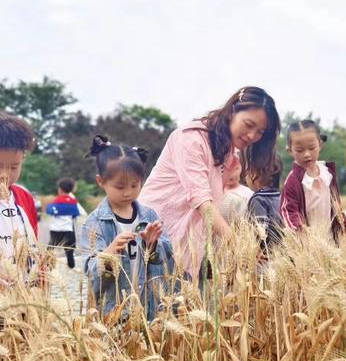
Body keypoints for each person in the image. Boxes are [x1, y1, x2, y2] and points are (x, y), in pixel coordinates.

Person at [139, 86, 280, 277]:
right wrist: (238, 246)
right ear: (232, 112)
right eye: (248, 124)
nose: (252, 136)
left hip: (187, 248)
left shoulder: (230, 153)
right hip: (152, 236)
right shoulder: (191, 138)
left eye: (260, 132)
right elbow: (201, 201)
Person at [81, 135, 174, 321]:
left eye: (135, 185)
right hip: (113, 309)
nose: (128, 192)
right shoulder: (95, 223)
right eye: (120, 186)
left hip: (148, 305)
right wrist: (109, 253)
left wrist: (152, 245)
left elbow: (167, 256)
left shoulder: (149, 215)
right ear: (101, 181)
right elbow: (91, 272)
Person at [280, 119, 346, 239]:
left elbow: (336, 206)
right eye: (300, 150)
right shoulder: (293, 180)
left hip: (331, 242)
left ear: (320, 145)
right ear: (290, 150)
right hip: (308, 245)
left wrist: (344, 228)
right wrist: (301, 232)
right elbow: (288, 211)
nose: (306, 154)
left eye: (311, 148)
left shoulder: (327, 174)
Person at [0, 112, 37, 283]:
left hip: (24, 296)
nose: (5, 174)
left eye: (14, 167)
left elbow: (34, 246)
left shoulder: (25, 198)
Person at [246, 153, 283, 253]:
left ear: (256, 174)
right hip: (283, 253)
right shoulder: (281, 196)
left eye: (248, 171)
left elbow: (260, 230)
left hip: (266, 255)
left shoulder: (258, 199)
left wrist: (256, 250)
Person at [46, 178, 81, 269]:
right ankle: (71, 265)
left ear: (60, 189)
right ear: (72, 189)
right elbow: (75, 214)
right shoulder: (73, 201)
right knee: (69, 249)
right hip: (67, 229)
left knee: (50, 248)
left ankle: (46, 265)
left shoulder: (57, 200)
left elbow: (50, 211)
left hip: (55, 229)